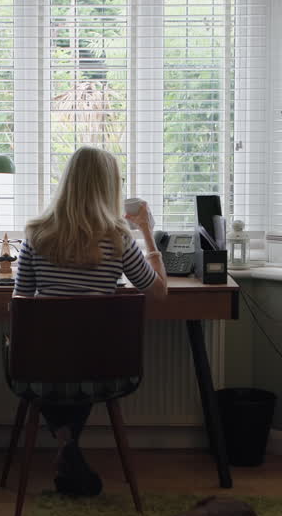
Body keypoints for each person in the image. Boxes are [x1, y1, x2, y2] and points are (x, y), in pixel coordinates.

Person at [13, 146, 168, 496]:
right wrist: (146, 233)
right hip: (103, 367)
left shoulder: (35, 236)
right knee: (82, 356)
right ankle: (69, 448)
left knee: (56, 356)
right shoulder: (119, 239)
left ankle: (66, 443)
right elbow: (158, 293)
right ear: (108, 188)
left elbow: (20, 303)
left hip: (42, 367)